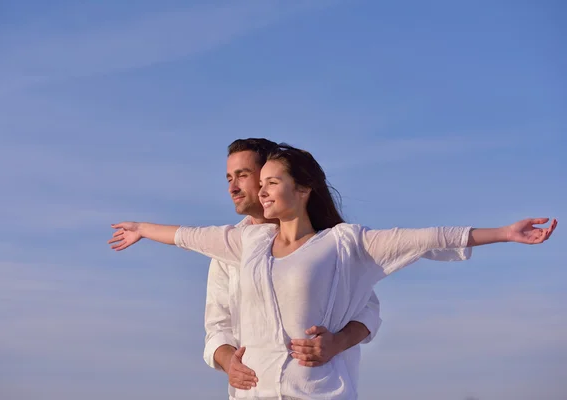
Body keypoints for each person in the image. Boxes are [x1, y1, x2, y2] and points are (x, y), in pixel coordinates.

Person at [108, 143, 557, 399]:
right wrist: (142, 228)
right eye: (255, 184)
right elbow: (189, 235)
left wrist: (504, 232)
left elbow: (424, 237)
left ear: (303, 189)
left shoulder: (345, 245)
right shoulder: (247, 241)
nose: (258, 193)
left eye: (269, 183)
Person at [207, 139, 383, 392]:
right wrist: (228, 363)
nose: (232, 188)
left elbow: (367, 311)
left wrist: (336, 342)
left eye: (242, 176)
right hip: (255, 393)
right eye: (228, 179)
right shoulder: (228, 249)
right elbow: (216, 326)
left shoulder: (329, 245)